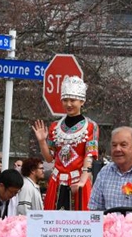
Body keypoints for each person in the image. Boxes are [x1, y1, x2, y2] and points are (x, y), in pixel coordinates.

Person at [32, 76, 98, 211]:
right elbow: (50, 157)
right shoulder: (55, 126)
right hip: (56, 181)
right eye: (65, 100)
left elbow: (89, 156)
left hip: (78, 181)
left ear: (82, 101)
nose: (68, 104)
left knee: (78, 223)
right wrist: (42, 141)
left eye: (72, 100)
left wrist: (83, 181)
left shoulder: (91, 126)